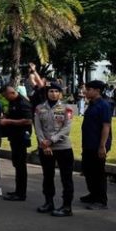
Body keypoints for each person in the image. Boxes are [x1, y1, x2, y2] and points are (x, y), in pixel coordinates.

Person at [34, 83, 74, 217]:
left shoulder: (66, 108)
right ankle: (48, 202)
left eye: (56, 91)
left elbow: (67, 128)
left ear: (60, 94)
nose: (53, 93)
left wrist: (51, 140)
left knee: (66, 178)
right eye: (50, 91)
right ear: (47, 93)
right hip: (45, 148)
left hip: (63, 147)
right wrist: (43, 144)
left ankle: (67, 206)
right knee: (48, 176)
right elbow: (38, 127)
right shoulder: (40, 108)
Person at [80, 80, 112, 210]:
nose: (85, 92)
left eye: (88, 89)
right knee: (88, 170)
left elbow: (106, 126)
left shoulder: (103, 105)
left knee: (98, 172)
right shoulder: (92, 104)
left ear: (97, 91)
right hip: (88, 143)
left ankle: (101, 200)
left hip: (97, 144)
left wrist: (102, 145)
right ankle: (93, 194)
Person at [0, 85, 33, 202]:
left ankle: (21, 193)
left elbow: (28, 120)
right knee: (16, 164)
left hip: (21, 137)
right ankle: (18, 190)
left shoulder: (23, 103)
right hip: (14, 137)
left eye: (6, 95)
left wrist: (8, 121)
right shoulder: (13, 102)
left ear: (11, 93)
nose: (5, 98)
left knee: (20, 166)